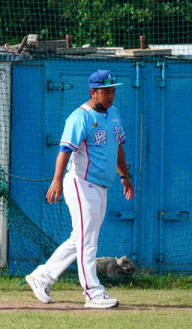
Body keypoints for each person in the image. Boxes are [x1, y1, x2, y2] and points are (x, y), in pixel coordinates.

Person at [25, 70, 133, 309]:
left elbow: (118, 148)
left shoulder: (113, 114)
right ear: (92, 92)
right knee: (88, 241)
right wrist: (56, 180)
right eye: (106, 91)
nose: (111, 96)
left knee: (80, 238)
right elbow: (65, 150)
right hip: (80, 184)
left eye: (113, 90)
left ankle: (41, 276)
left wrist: (124, 175)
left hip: (101, 185)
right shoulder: (79, 117)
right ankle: (92, 292)